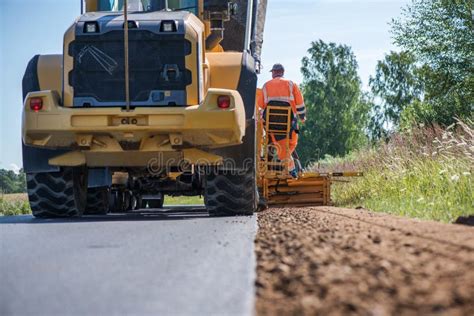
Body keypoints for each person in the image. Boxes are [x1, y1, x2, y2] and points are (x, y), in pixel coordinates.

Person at [257, 63, 306, 178]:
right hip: (290, 125)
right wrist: (302, 117)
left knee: (280, 145)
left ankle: (287, 163)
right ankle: (291, 168)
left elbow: (260, 107)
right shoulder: (291, 84)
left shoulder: (266, 86)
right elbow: (300, 104)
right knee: (292, 143)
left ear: (274, 72)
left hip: (271, 127)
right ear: (282, 72)